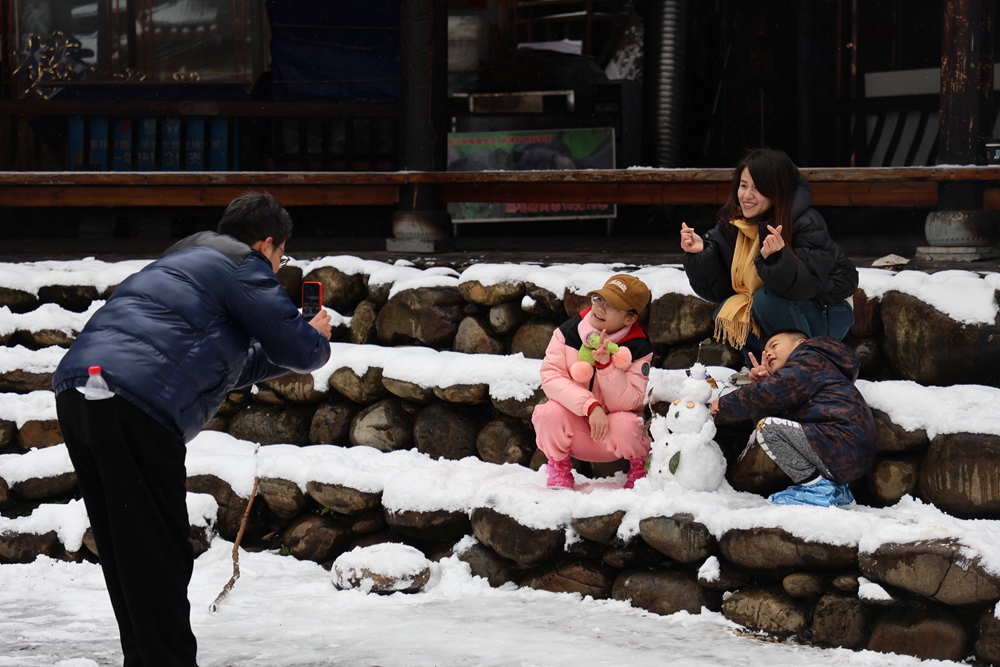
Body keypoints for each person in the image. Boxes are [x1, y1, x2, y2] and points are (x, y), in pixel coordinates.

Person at [52, 192, 333, 667]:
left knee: (127, 552)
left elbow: (225, 365)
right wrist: (317, 336)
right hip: (137, 404)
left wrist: (289, 352)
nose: (277, 265)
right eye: (281, 257)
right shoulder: (244, 266)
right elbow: (302, 351)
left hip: (78, 393)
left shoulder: (181, 260)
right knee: (160, 555)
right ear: (267, 244)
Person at [679, 148, 858, 366]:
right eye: (743, 186)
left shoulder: (807, 222)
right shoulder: (734, 224)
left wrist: (775, 259)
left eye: (758, 188)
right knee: (728, 310)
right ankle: (763, 369)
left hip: (828, 309)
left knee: (766, 300)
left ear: (778, 191)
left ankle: (805, 366)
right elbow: (721, 290)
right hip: (786, 306)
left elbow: (805, 287)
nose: (746, 195)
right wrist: (700, 256)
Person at [710, 330, 877, 506]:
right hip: (847, 450)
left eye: (774, 345)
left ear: (800, 343)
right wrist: (762, 384)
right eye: (765, 353)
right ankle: (835, 491)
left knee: (768, 428)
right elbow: (780, 406)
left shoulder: (809, 358)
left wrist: (726, 403)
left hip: (841, 441)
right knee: (770, 426)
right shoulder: (810, 372)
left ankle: (817, 489)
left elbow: (775, 392)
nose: (769, 354)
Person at [532, 274, 654, 490]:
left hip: (612, 437)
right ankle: (559, 469)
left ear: (630, 319)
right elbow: (551, 377)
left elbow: (630, 403)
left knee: (629, 425)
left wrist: (607, 367)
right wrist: (590, 406)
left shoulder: (638, 348)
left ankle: (638, 470)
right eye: (599, 299)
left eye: (612, 306)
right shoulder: (567, 332)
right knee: (548, 413)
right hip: (577, 431)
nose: (600, 308)